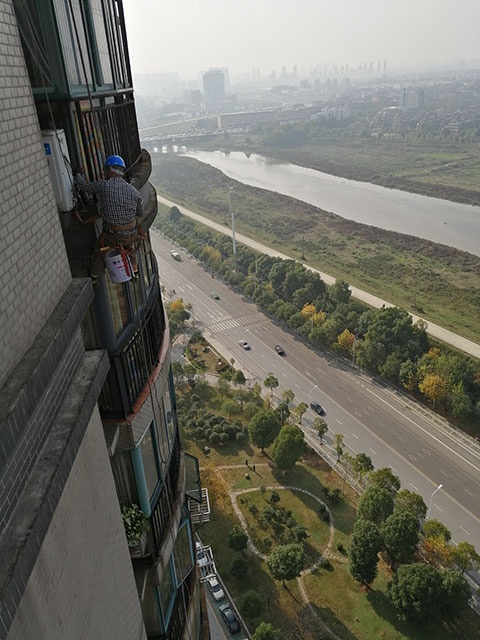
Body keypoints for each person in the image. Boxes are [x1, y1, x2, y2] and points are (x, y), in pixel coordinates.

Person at [75, 155, 144, 282]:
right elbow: (140, 213)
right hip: (130, 235)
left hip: (111, 236)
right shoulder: (134, 192)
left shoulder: (103, 186)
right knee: (131, 248)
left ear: (109, 170)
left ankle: (95, 276)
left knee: (98, 253)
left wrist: (78, 173)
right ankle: (135, 272)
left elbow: (83, 186)